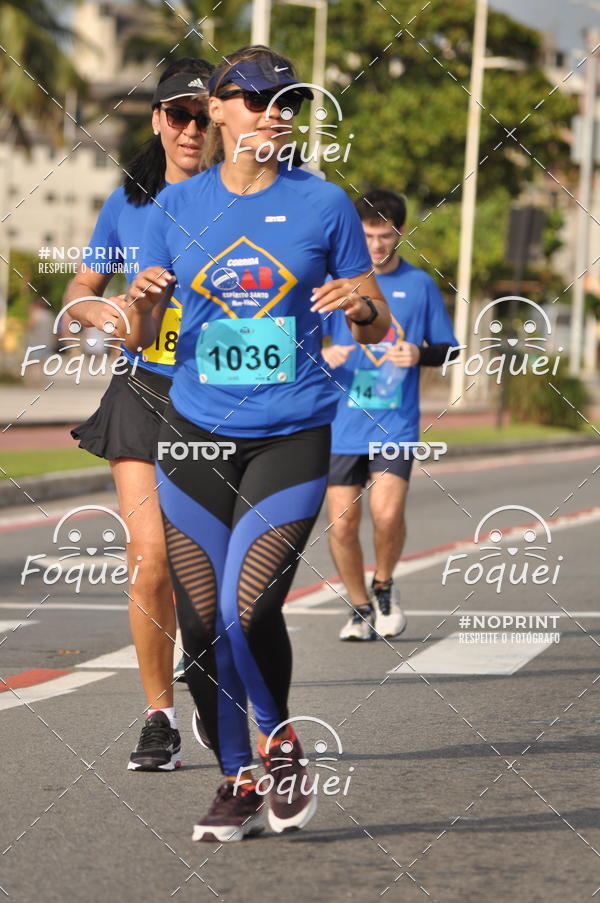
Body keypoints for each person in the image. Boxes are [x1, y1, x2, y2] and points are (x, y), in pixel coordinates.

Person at [124, 44, 390, 841]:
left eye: (288, 102)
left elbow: (377, 317)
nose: (274, 113)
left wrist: (359, 303)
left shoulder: (326, 205)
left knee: (248, 606)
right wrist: (132, 308)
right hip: (195, 430)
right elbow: (139, 327)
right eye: (256, 98)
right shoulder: (174, 207)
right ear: (216, 108)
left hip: (291, 431)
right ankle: (238, 780)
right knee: (202, 629)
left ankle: (279, 746)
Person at [65, 58, 215, 770]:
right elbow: (83, 287)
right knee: (150, 558)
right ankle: (159, 714)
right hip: (144, 389)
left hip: (220, 401)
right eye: (178, 115)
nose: (191, 128)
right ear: (157, 121)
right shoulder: (128, 202)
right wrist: (101, 310)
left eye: (203, 115)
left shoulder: (245, 199)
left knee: (208, 575)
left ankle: (212, 675)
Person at [321, 189, 458, 641]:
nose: (376, 246)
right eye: (367, 236)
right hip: (339, 423)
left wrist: (417, 353)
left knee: (385, 513)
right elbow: (299, 345)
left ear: (399, 233)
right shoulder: (333, 283)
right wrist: (327, 354)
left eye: (384, 236)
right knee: (341, 525)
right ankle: (359, 607)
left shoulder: (419, 285)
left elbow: (450, 349)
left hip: (393, 423)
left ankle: (383, 584)